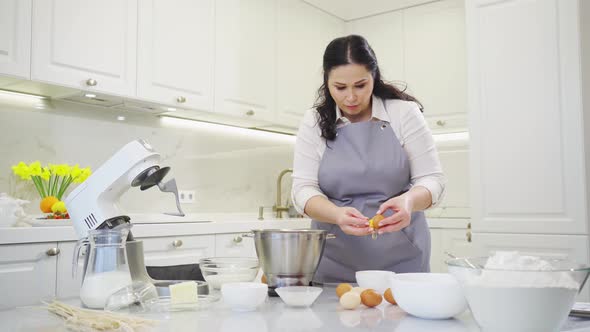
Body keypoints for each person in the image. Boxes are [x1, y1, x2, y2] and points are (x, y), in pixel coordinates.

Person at [291, 35, 446, 283]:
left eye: (360, 85)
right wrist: (336, 215)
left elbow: (432, 180)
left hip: (402, 258)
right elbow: (302, 190)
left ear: (374, 77)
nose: (351, 97)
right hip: (334, 256)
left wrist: (408, 202)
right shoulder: (314, 121)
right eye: (340, 88)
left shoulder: (403, 113)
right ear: (327, 82)